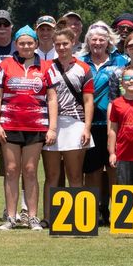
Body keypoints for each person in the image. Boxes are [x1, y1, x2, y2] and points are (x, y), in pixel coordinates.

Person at [0, 26, 58, 230]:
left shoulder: (47, 66)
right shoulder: (4, 65)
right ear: (16, 45)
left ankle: (32, 217)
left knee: (30, 171)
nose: (26, 46)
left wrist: (52, 127)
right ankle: (10, 217)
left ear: (36, 44)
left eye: (30, 43)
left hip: (36, 125)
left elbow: (52, 98)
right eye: (22, 43)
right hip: (9, 124)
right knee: (11, 170)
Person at [81, 22, 128, 223]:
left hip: (115, 125)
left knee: (114, 169)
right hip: (88, 125)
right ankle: (94, 211)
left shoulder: (121, 61)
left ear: (109, 41)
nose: (98, 43)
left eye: (102, 39)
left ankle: (117, 211)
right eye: (94, 39)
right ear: (88, 42)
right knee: (91, 171)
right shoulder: (80, 62)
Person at [43, 25, 94, 197]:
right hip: (51, 125)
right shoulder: (47, 67)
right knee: (52, 176)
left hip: (75, 123)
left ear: (72, 42)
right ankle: (48, 218)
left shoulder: (84, 68)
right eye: (58, 44)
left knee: (75, 175)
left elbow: (88, 101)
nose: (61, 47)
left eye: (65, 43)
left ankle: (76, 219)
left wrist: (87, 127)